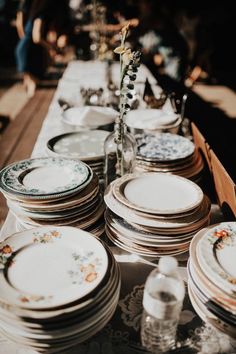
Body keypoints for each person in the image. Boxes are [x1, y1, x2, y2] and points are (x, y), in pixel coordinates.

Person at [15, 0, 71, 97]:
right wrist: (51, 48)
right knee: (34, 91)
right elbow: (36, 37)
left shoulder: (36, 14)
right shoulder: (41, 15)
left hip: (26, 49)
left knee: (30, 89)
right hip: (29, 52)